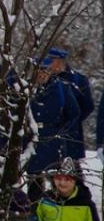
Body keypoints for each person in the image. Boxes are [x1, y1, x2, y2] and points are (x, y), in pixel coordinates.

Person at [28, 57, 80, 187]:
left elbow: (74, 112)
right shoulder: (26, 88)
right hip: (31, 138)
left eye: (45, 70)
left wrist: (61, 130)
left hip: (53, 139)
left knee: (56, 182)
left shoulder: (61, 87)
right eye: (39, 70)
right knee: (34, 181)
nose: (42, 74)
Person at [49, 47, 95, 162]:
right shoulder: (46, 78)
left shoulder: (78, 80)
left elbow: (88, 106)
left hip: (71, 134)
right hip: (50, 133)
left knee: (71, 167)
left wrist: (72, 120)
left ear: (60, 62)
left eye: (52, 61)